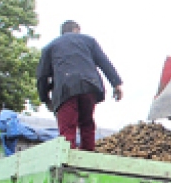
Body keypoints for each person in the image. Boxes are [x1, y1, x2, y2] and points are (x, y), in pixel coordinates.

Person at [36, 20, 123, 151]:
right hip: (90, 85)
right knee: (87, 123)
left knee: (67, 127)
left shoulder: (50, 47)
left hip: (65, 89)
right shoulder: (89, 41)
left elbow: (42, 76)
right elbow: (104, 62)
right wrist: (116, 84)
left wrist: (45, 98)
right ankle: (87, 154)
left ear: (62, 32)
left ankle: (67, 156)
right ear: (77, 29)